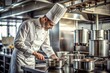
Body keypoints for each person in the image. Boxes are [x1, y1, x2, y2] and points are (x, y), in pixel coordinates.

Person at [10, 3, 67, 73]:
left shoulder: (46, 30)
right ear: (45, 19)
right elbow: (17, 43)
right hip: (20, 59)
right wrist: (35, 53)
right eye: (51, 25)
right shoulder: (27, 24)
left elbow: (46, 45)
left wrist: (53, 56)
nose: (51, 28)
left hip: (31, 60)